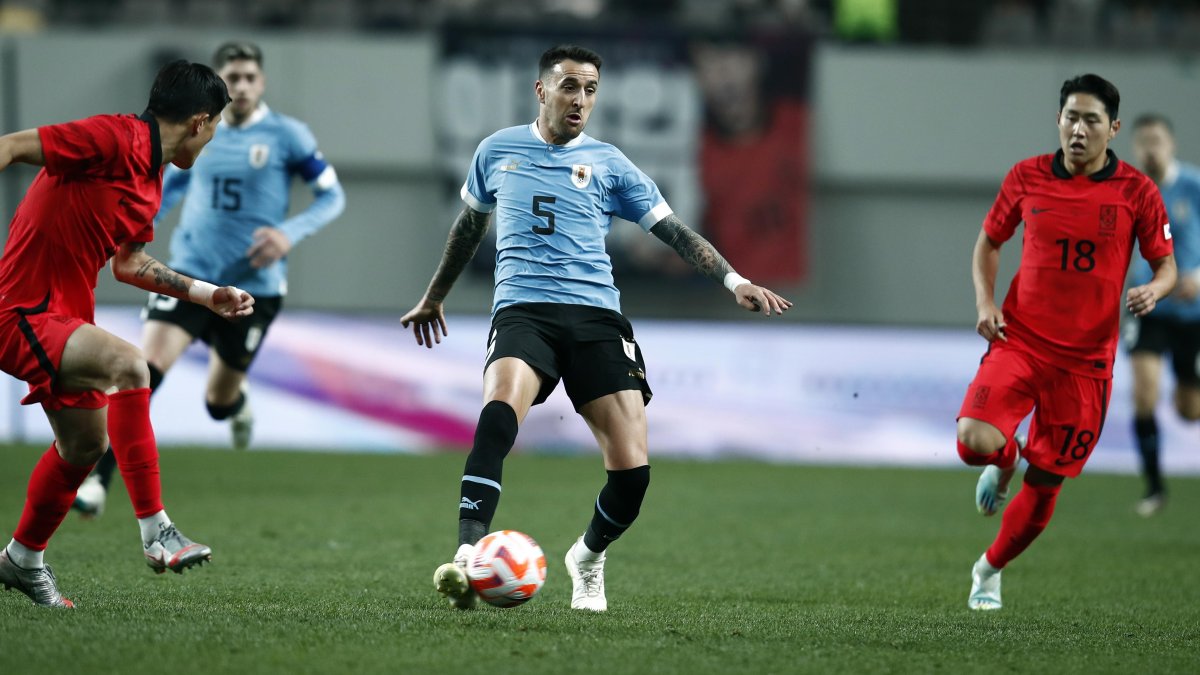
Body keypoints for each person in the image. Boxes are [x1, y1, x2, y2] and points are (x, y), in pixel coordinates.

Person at [400, 44, 792, 612]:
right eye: (569, 87)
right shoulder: (497, 151)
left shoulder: (610, 163)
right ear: (542, 90)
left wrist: (735, 281)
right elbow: (469, 226)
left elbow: (675, 232)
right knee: (497, 415)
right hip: (523, 311)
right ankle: (467, 554)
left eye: (589, 90)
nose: (580, 99)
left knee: (632, 476)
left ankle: (587, 556)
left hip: (596, 318)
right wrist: (434, 296)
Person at [0, 60, 254, 608]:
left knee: (84, 445)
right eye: (214, 128)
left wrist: (208, 294)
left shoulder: (150, 178)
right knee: (131, 365)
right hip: (20, 311)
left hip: (65, 318)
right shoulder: (111, 138)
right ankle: (157, 531)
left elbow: (129, 263)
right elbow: (12, 146)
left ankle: (22, 560)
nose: (211, 139)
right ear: (200, 121)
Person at [72, 41, 345, 518]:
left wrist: (288, 233)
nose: (242, 86)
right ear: (221, 83)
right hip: (191, 274)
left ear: (262, 82)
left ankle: (234, 405)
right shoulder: (201, 132)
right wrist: (129, 230)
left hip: (255, 288)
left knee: (217, 402)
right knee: (145, 371)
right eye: (233, 77)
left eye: (249, 77)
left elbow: (331, 196)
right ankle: (97, 479)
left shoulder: (288, 136)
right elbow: (168, 188)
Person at [956, 74, 1176, 611]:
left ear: (1113, 128)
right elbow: (989, 242)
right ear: (1058, 120)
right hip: (1020, 341)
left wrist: (1154, 289)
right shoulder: (1026, 176)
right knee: (972, 442)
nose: (1079, 130)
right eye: (1071, 118)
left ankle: (988, 570)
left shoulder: (1137, 192)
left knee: (1047, 481)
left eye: (1091, 120)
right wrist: (985, 303)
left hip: (1085, 364)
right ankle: (1005, 458)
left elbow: (1166, 266)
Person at [1124, 113, 1200, 517]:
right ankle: (1154, 487)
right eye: (1143, 142)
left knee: (1189, 411)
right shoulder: (1130, 190)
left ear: (1171, 144)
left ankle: (1186, 383)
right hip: (1149, 305)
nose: (1150, 149)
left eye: (1156, 140)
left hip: (1193, 312)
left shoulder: (1193, 186)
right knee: (1144, 393)